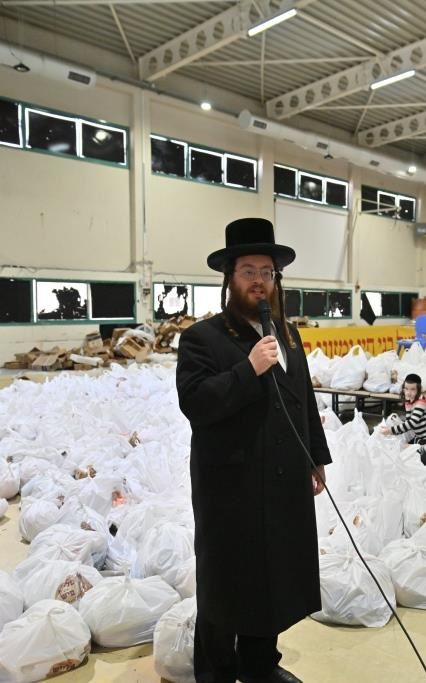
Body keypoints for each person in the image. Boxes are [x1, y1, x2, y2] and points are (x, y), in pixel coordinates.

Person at [176, 217, 331, 683]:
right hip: (232, 488)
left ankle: (261, 664)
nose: (259, 281)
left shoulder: (287, 333)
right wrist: (247, 369)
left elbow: (302, 397)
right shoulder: (202, 338)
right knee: (227, 589)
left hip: (282, 481)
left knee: (275, 578)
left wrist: (316, 456)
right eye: (249, 271)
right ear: (230, 278)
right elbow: (196, 403)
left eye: (267, 272)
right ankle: (218, 672)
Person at [380, 373, 426, 444]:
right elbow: (408, 422)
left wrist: (391, 430)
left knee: (402, 449)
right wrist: (393, 432)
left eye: (413, 389)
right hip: (420, 436)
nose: (408, 393)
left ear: (418, 390)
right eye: (406, 389)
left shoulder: (421, 401)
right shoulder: (409, 400)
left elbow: (412, 423)